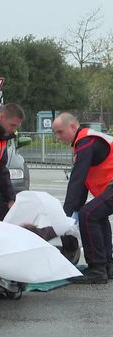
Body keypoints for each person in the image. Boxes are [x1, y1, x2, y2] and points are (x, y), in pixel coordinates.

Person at [53, 112, 113, 283]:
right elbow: (82, 185)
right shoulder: (85, 141)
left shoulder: (85, 141)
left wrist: (64, 216)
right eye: (55, 133)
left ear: (73, 126)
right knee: (95, 214)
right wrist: (73, 209)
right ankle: (107, 265)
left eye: (60, 132)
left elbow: (77, 180)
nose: (58, 137)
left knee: (88, 214)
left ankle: (97, 269)